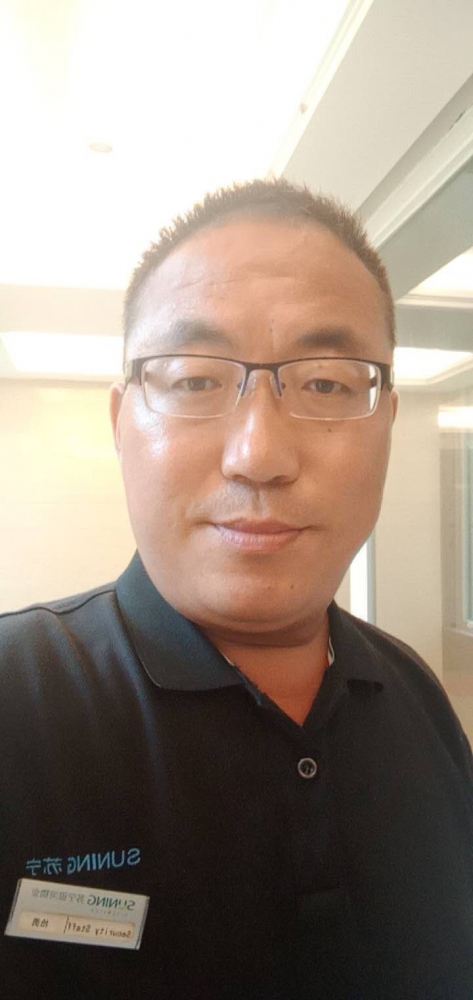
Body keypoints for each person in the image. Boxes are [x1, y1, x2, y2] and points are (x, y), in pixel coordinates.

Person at [1, 179, 473, 1000]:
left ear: (386, 424)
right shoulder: (18, 700)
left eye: (326, 383)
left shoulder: (416, 694)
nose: (258, 455)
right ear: (120, 423)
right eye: (193, 381)